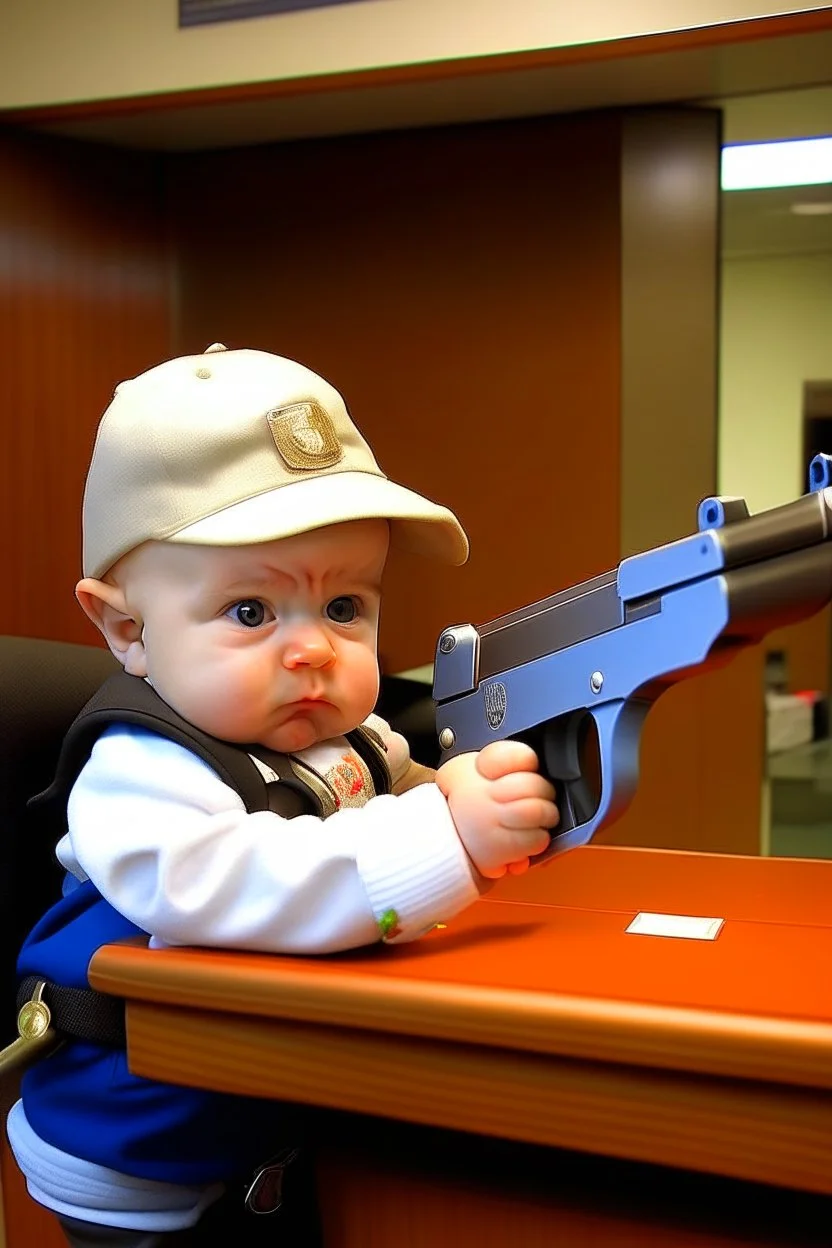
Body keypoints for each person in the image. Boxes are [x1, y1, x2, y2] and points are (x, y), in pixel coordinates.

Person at [6, 344, 559, 1247]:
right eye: (253, 613)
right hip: (141, 1148)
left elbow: (402, 795)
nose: (313, 650)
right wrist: (444, 839)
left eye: (346, 608)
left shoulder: (344, 741)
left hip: (276, 1099)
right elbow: (221, 886)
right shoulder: (142, 771)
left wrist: (479, 796)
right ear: (125, 628)